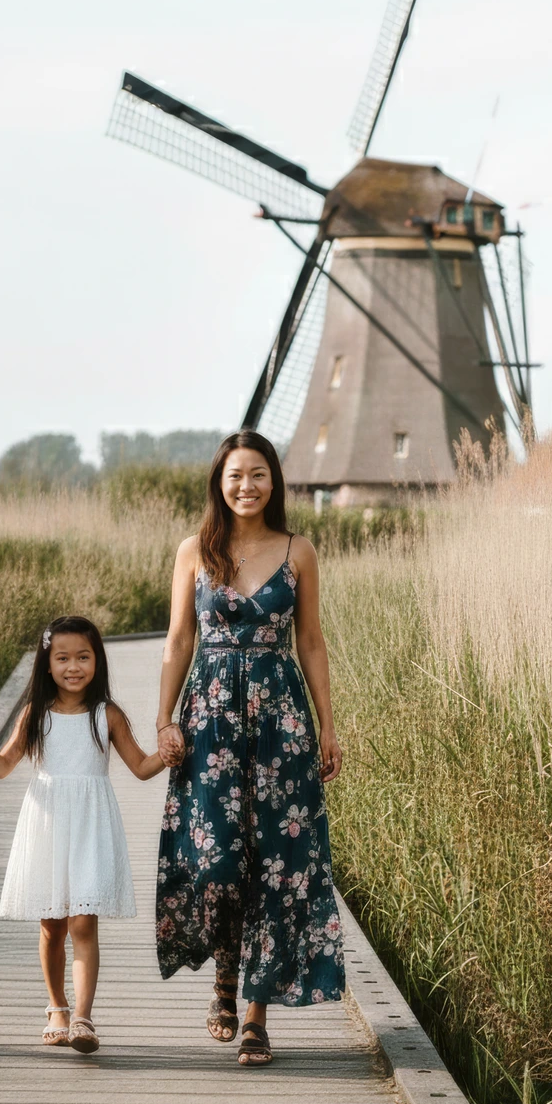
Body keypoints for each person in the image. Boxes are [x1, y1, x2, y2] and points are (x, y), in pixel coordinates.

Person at [153, 430, 345, 1065]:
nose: (246, 486)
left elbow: (311, 641)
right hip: (208, 720)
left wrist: (328, 724)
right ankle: (223, 978)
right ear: (219, 482)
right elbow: (179, 639)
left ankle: (257, 1015)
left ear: (274, 481)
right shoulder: (193, 551)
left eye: (258, 474)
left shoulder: (299, 551)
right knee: (214, 859)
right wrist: (164, 717)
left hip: (280, 720)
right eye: (235, 475)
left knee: (275, 861)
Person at [0, 615, 166, 1054]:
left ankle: (83, 1015)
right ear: (47, 663)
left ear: (97, 659)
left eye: (83, 656)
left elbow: (140, 767)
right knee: (51, 925)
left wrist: (170, 754)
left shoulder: (107, 714)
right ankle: (56, 1006)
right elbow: (3, 765)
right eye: (62, 658)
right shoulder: (35, 714)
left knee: (83, 921)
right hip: (48, 825)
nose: (73, 666)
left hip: (90, 828)